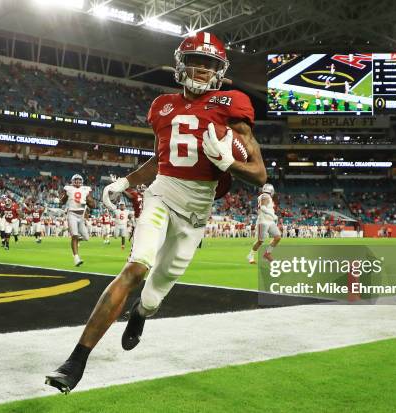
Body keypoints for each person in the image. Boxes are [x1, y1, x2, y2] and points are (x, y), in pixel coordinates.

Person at [45, 31, 267, 394]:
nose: (201, 68)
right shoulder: (162, 106)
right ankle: (75, 361)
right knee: (135, 268)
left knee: (152, 296)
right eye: (195, 60)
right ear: (181, 65)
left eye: (209, 63)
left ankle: (141, 313)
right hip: (161, 195)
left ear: (219, 70)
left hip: (196, 211)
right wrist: (126, 182)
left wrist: (230, 163)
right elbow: (160, 160)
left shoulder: (233, 103)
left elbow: (259, 173)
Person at [61, 174, 95, 266]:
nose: (77, 182)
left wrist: (89, 202)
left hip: (81, 216)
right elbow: (62, 201)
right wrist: (64, 198)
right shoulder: (68, 189)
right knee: (74, 236)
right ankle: (76, 258)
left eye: (79, 180)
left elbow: (93, 205)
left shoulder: (85, 189)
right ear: (72, 181)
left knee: (86, 238)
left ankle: (77, 240)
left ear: (82, 181)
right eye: (75, 180)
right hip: (72, 214)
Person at [248, 184, 281, 264]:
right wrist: (273, 215)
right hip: (263, 221)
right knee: (260, 241)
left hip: (270, 221)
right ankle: (251, 255)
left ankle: (267, 254)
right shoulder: (265, 196)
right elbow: (263, 208)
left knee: (277, 237)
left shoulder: (267, 197)